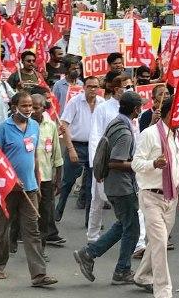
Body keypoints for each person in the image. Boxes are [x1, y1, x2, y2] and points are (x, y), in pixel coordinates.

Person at [0, 91, 58, 287]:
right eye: (25, 105)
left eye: (30, 106)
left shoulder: (34, 126)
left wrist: (36, 182)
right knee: (3, 228)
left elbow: (34, 156)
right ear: (14, 106)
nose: (28, 109)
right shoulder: (3, 129)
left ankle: (38, 275)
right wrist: (9, 178)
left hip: (29, 188)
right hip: (8, 189)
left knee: (32, 231)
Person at [74, 91, 143, 285]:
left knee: (124, 224)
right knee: (133, 229)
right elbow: (115, 161)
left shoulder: (117, 122)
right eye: (140, 107)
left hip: (116, 185)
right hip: (122, 187)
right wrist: (139, 164)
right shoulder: (124, 131)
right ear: (136, 109)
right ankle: (121, 270)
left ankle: (88, 254)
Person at [131, 97, 179, 296]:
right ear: (169, 113)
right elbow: (135, 164)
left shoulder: (178, 135)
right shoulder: (149, 134)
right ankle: (163, 290)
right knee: (160, 243)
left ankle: (141, 275)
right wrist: (153, 164)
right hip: (151, 196)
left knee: (159, 242)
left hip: (171, 197)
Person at [87, 72, 133, 242]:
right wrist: (96, 165)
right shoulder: (103, 108)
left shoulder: (131, 108)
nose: (130, 89)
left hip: (124, 162)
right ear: (116, 89)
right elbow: (95, 136)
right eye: (126, 87)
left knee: (128, 200)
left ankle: (136, 239)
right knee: (97, 200)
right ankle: (93, 235)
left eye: (131, 86)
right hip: (105, 161)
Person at [56, 74, 100, 224]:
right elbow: (64, 125)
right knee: (68, 181)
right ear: (84, 87)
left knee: (91, 186)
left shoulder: (102, 104)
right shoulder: (75, 102)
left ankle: (90, 221)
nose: (92, 89)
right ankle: (59, 210)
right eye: (90, 86)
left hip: (94, 148)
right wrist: (70, 149)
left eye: (95, 86)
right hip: (76, 145)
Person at [31, 93, 64, 255]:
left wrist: (58, 179)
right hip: (28, 180)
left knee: (45, 214)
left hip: (45, 179)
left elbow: (57, 155)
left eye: (36, 108)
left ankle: (40, 247)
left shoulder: (50, 126)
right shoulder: (23, 125)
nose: (32, 111)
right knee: (28, 215)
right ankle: (14, 239)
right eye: (30, 107)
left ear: (44, 109)